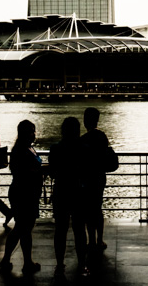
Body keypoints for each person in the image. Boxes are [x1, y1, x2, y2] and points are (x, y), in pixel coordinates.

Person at [0, 120, 43, 275]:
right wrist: (42, 170)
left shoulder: (26, 148)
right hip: (23, 193)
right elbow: (27, 172)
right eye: (31, 131)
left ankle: (13, 260)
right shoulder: (22, 150)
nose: (33, 134)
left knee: (23, 228)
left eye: (34, 131)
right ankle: (23, 261)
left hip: (26, 193)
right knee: (23, 228)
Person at [49, 116, 89, 275]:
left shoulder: (55, 148)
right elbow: (87, 171)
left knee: (60, 230)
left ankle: (60, 264)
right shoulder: (85, 148)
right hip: (79, 192)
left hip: (61, 191)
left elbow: (52, 173)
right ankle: (82, 264)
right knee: (80, 230)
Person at [81, 106, 111, 256]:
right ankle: (99, 240)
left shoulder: (83, 139)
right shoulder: (102, 136)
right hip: (99, 176)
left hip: (86, 177)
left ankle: (91, 240)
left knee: (88, 210)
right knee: (97, 208)